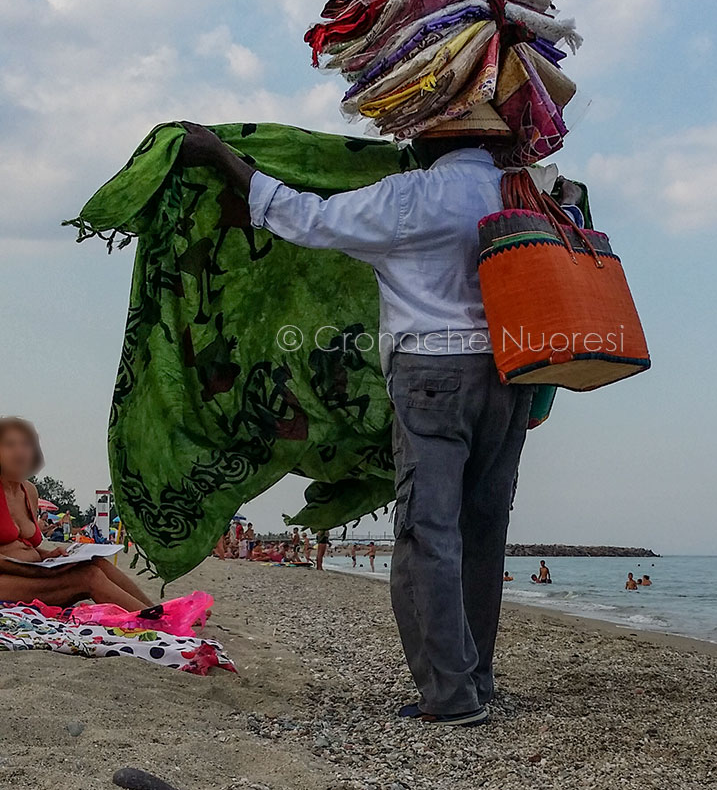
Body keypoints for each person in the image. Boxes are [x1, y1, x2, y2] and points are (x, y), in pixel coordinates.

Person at [178, 122, 586, 728]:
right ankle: (476, 678)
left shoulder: (411, 195)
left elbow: (304, 216)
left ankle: (450, 695)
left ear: (427, 139)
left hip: (433, 377)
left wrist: (221, 155)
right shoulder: (520, 190)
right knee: (482, 531)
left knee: (429, 535)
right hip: (510, 376)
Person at [0, 417, 154, 611]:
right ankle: (162, 625)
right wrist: (39, 571)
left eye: (26, 445)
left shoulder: (29, 491)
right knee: (89, 577)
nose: (19, 452)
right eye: (10, 445)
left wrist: (49, 555)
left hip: (33, 571)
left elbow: (22, 545)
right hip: (7, 582)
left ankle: (158, 611)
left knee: (96, 561)